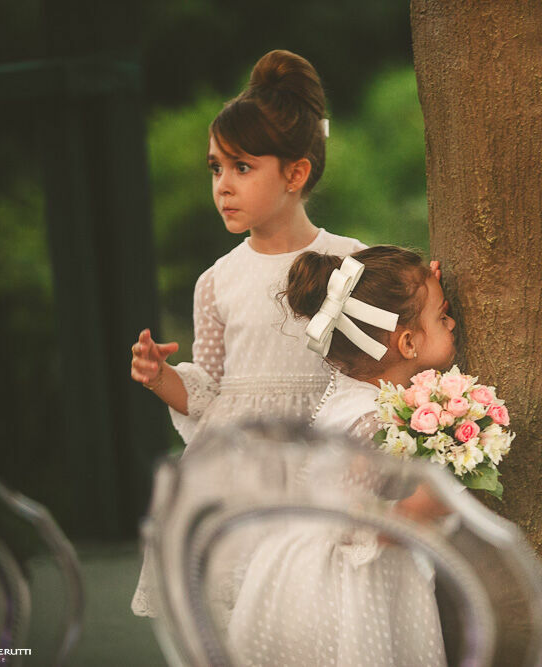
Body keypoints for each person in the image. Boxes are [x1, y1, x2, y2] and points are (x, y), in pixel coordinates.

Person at [129, 49, 368, 619]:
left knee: (308, 615)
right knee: (233, 617)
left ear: (295, 172)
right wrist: (164, 379)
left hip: (318, 464)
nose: (223, 186)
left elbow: (374, 366)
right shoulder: (217, 281)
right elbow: (212, 395)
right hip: (233, 474)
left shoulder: (353, 262)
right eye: (216, 168)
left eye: (241, 168)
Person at [223, 245, 455, 666]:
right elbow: (351, 526)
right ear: (406, 342)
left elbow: (375, 321)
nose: (453, 321)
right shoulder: (370, 421)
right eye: (443, 316)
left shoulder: (360, 386)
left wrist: (421, 295)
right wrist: (419, 507)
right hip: (343, 585)